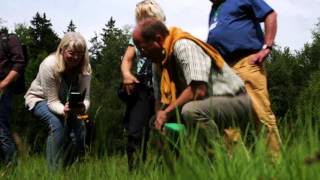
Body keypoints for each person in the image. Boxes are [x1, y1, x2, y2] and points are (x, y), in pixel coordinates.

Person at [132, 18, 252, 148]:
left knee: (191, 111)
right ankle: (182, 165)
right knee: (156, 123)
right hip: (206, 103)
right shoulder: (158, 62)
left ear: (158, 40)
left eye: (142, 48)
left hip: (235, 100)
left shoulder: (183, 45)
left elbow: (198, 90)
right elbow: (159, 99)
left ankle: (218, 159)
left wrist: (166, 113)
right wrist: (159, 116)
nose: (142, 55)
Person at [206, 0, 281, 154]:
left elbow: (270, 14)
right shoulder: (214, 9)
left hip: (246, 62)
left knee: (260, 114)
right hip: (222, 70)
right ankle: (239, 169)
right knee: (227, 123)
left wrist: (267, 47)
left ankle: (276, 168)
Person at [24, 32, 91, 171]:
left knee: (80, 132)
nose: (76, 57)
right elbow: (52, 101)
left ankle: (69, 169)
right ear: (62, 50)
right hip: (40, 99)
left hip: (67, 104)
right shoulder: (49, 65)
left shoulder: (86, 67)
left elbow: (86, 98)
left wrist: (82, 108)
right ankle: (54, 172)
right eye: (71, 53)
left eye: (80, 53)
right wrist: (63, 110)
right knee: (57, 125)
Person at [120, 0, 166, 170]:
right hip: (142, 88)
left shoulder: (165, 34)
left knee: (165, 127)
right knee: (135, 132)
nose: (143, 19)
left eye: (147, 15)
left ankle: (166, 168)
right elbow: (127, 60)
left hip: (163, 87)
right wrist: (126, 74)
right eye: (140, 17)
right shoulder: (136, 37)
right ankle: (135, 171)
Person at [0, 29, 26, 165]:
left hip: (4, 90)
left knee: (2, 130)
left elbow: (19, 63)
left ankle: (11, 168)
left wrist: (3, 84)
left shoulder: (9, 39)